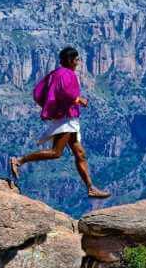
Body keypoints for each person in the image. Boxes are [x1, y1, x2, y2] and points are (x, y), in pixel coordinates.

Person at [9, 46, 111, 198]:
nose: (78, 63)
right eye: (76, 60)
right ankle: (19, 161)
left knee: (80, 153)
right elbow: (64, 91)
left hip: (70, 118)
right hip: (66, 118)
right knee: (56, 152)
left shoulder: (57, 73)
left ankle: (90, 188)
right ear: (70, 60)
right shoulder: (64, 74)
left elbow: (41, 91)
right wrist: (78, 99)